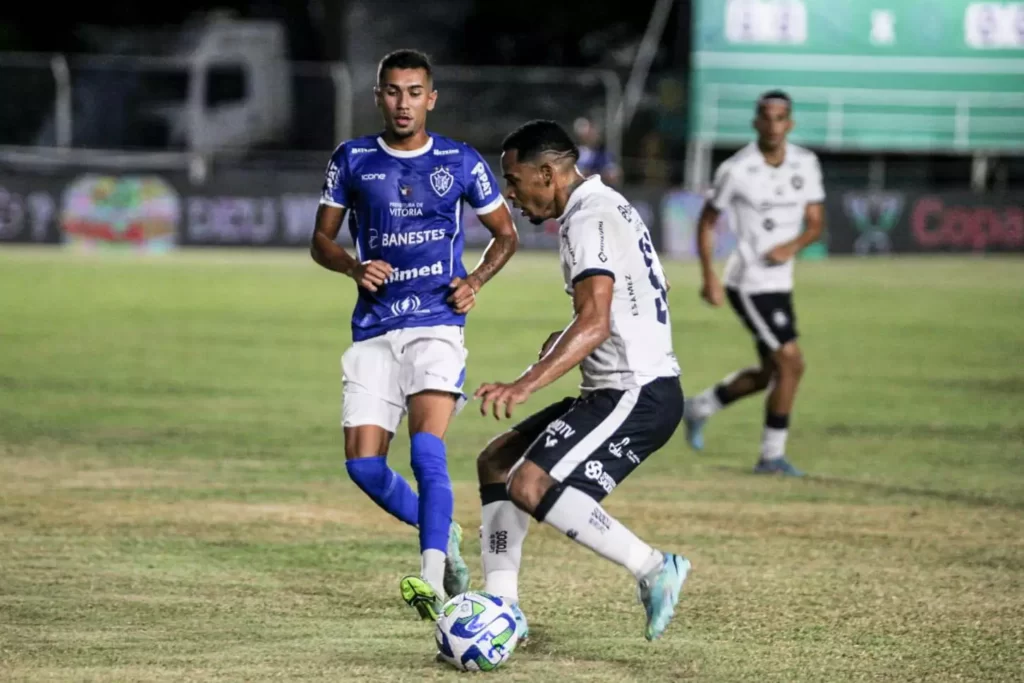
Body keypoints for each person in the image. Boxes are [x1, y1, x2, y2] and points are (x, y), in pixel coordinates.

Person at [310, 49, 518, 620]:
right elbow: (320, 241)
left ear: (432, 97)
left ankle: (431, 574)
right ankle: (442, 527)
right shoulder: (351, 159)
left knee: (428, 449)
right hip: (375, 328)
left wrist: (475, 280)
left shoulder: (461, 159)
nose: (404, 103)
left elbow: (505, 235)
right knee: (364, 466)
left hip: (436, 325)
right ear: (379, 96)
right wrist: (353, 266)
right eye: (393, 92)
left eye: (414, 92)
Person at [472, 119, 689, 642]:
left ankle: (655, 567)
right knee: (497, 462)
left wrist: (524, 383)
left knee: (530, 483)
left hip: (635, 392)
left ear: (547, 173)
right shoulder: (603, 205)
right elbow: (608, 312)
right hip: (616, 386)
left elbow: (595, 321)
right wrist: (567, 336)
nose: (510, 193)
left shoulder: (587, 219)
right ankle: (505, 609)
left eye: (514, 179)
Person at [682, 90, 825, 477]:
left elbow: (815, 223)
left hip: (780, 282)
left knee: (771, 372)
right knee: (792, 365)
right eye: (766, 117)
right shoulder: (737, 169)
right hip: (748, 282)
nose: (773, 124)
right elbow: (707, 220)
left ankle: (699, 408)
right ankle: (771, 457)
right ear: (756, 123)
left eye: (781, 118)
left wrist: (791, 246)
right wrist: (709, 275)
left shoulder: (806, 164)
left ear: (789, 124)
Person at [574, 117, 622, 186]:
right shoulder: (575, 153)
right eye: (590, 134)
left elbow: (614, 176)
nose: (594, 136)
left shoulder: (604, 155)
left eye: (595, 133)